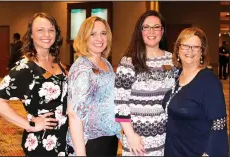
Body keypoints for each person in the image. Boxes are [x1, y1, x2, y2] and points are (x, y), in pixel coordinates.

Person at [0, 12, 68, 156]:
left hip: (65, 139)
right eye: (40, 30)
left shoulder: (56, 62)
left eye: (51, 30)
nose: (47, 34)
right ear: (31, 34)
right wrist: (29, 124)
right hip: (42, 142)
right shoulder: (25, 67)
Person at [114, 10, 178, 156]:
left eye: (156, 27)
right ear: (140, 31)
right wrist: (130, 136)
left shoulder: (172, 60)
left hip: (165, 137)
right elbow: (120, 102)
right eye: (146, 27)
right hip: (137, 140)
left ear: (162, 30)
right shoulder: (129, 61)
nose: (152, 31)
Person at [162, 27, 229, 156]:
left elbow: (219, 125)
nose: (190, 50)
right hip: (173, 149)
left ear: (202, 51)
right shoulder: (176, 76)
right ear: (178, 50)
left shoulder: (209, 81)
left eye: (195, 47)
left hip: (195, 151)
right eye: (185, 46)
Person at [66, 16, 121, 156]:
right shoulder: (81, 68)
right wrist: (81, 153)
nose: (99, 38)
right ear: (84, 37)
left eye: (103, 33)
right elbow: (74, 114)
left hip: (109, 137)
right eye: (93, 34)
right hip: (89, 141)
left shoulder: (105, 62)